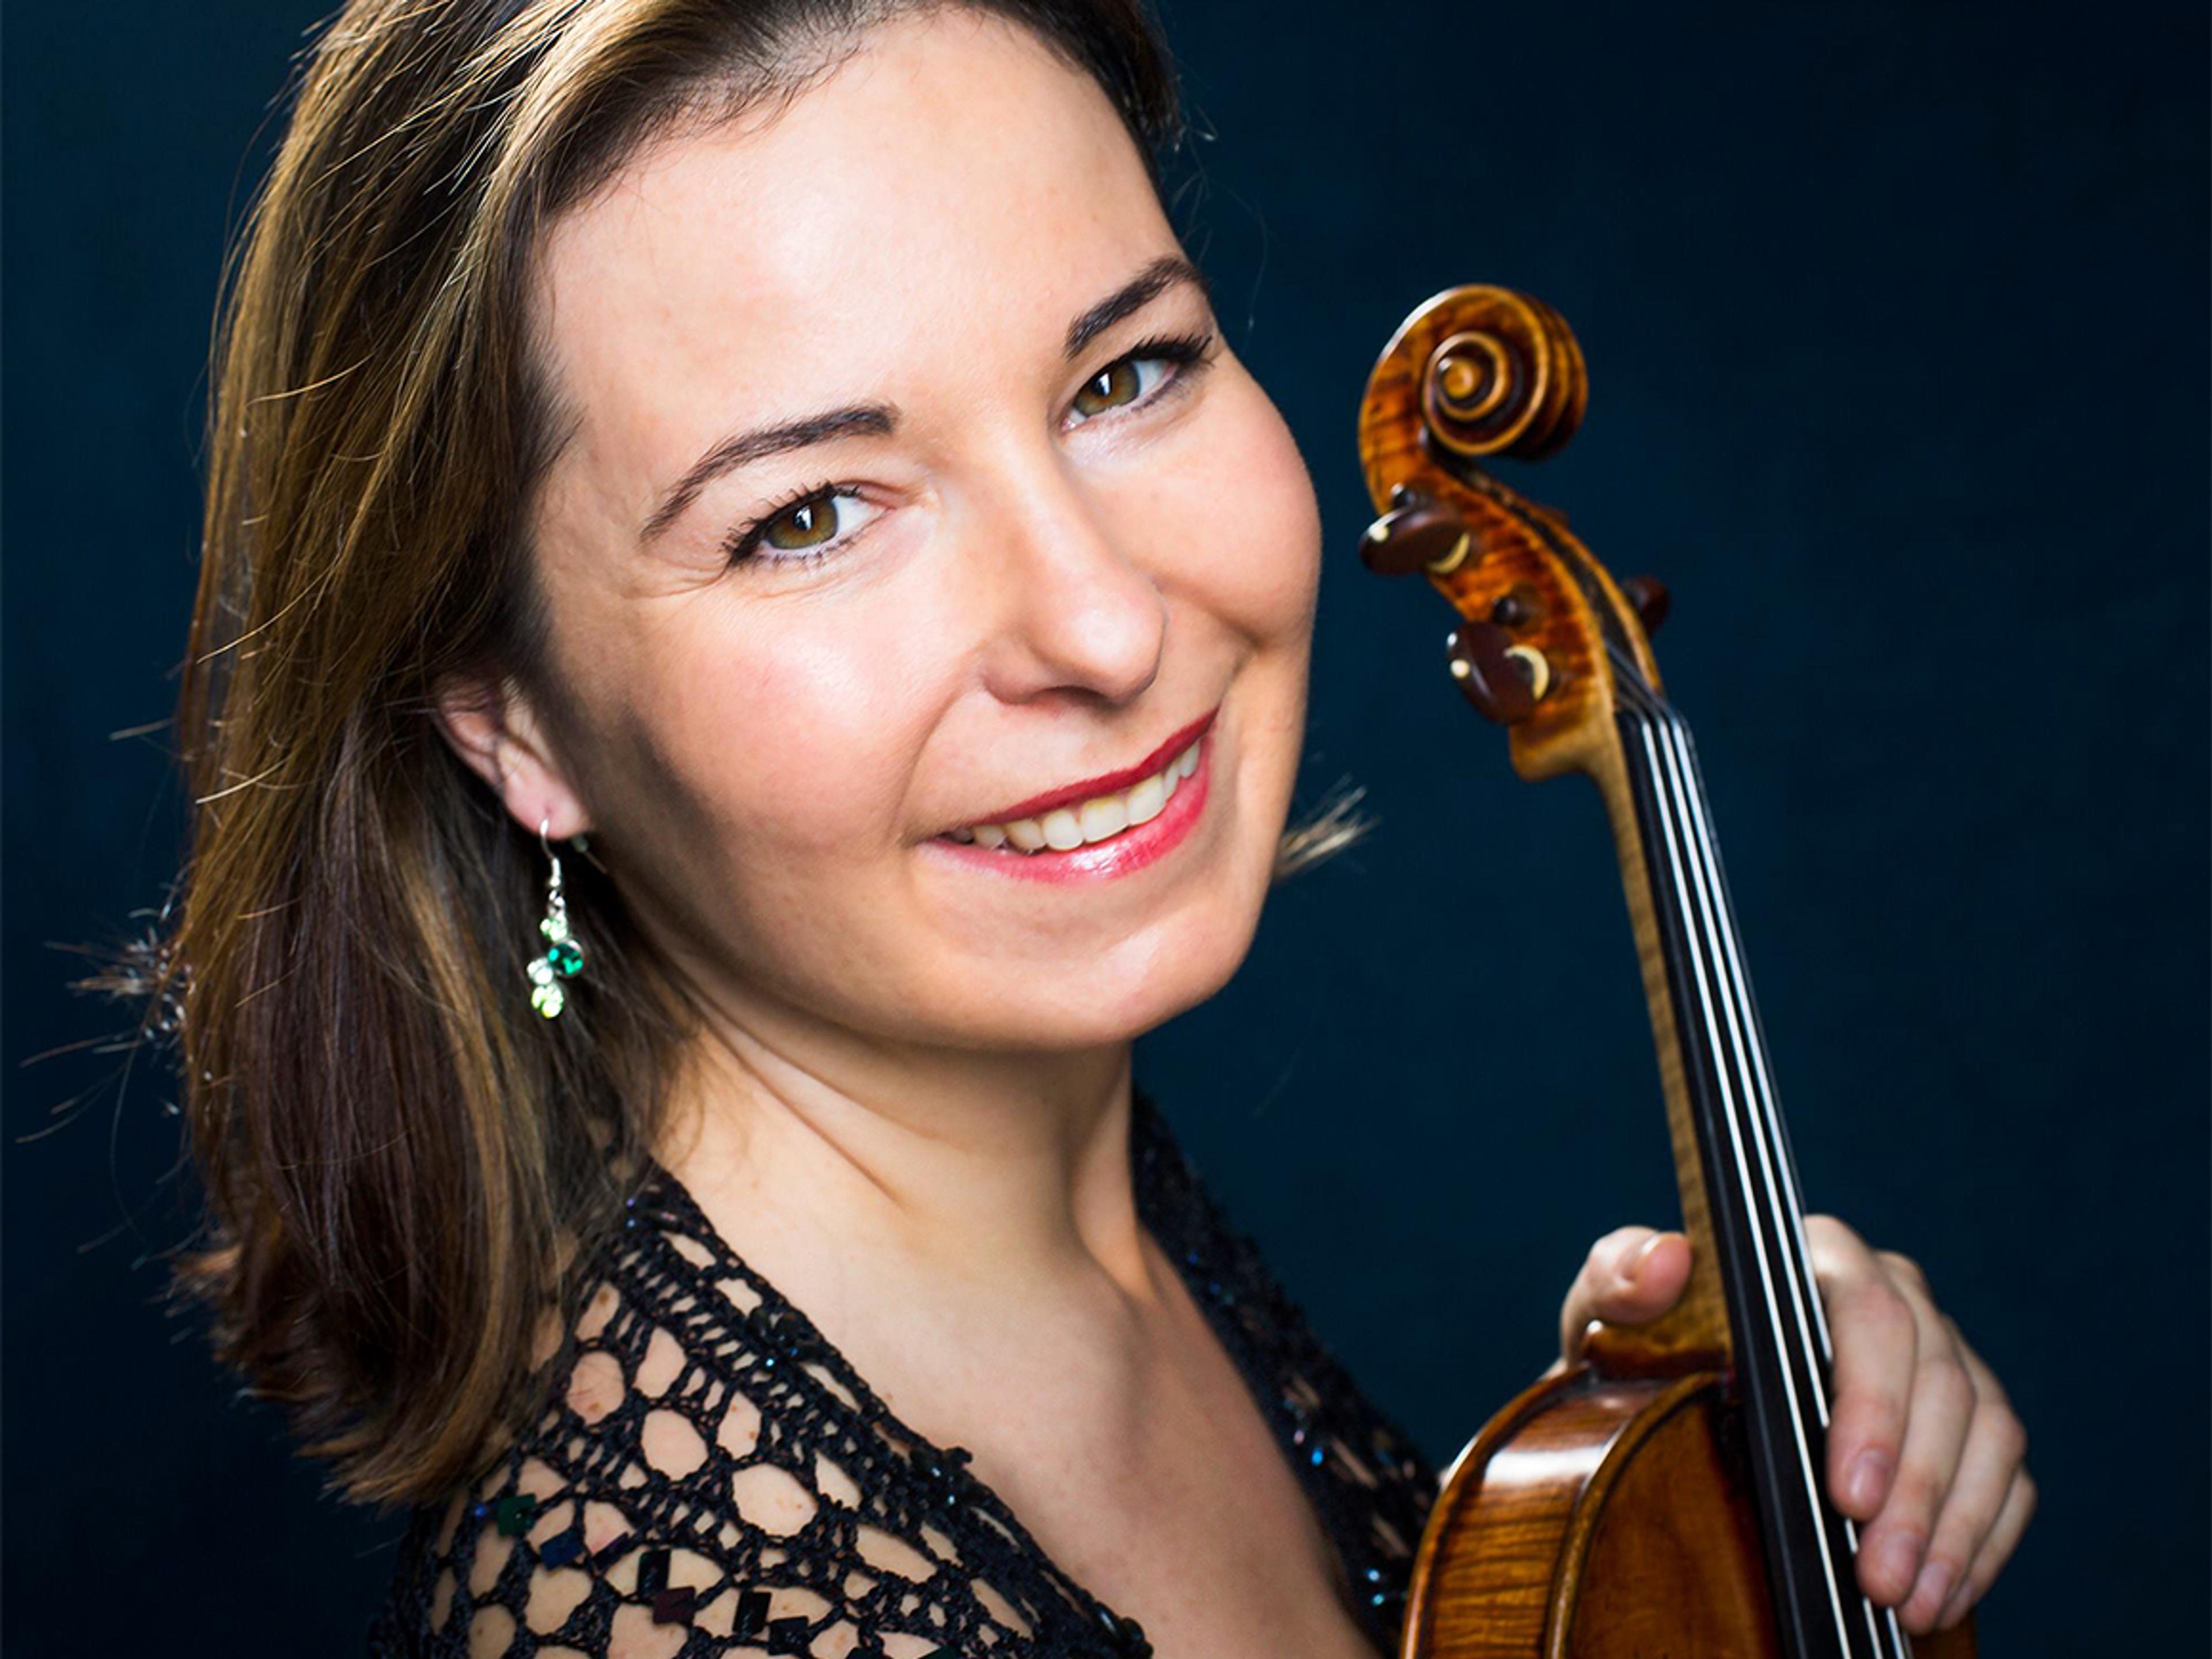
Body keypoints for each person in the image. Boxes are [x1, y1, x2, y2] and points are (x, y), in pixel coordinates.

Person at [107, 2, 2032, 1653]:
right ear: (514, 723)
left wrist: (1692, 1529)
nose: (1105, 626)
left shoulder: (1066, 1253)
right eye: (811, 517)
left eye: (1125, 374)